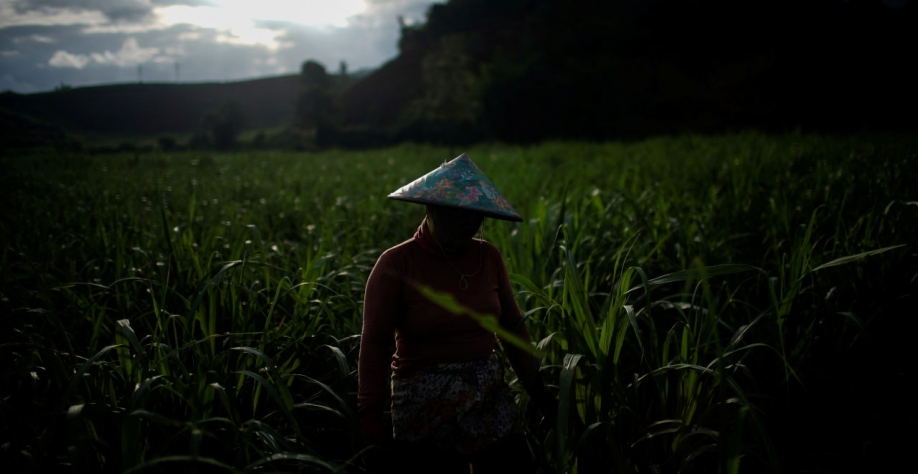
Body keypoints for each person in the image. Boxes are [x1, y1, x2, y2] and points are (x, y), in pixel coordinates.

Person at [358, 154, 556, 473]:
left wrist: (540, 393)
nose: (465, 226)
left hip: (488, 395)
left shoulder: (488, 257)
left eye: (473, 218)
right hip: (424, 401)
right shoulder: (396, 264)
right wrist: (370, 412)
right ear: (431, 209)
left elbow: (512, 328)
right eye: (455, 217)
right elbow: (375, 342)